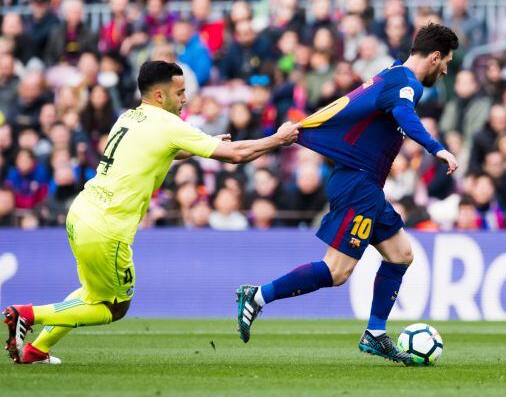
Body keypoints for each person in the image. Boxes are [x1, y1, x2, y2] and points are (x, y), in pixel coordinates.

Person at [3, 61, 299, 364]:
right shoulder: (167, 124)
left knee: (91, 292)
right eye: (180, 92)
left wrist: (201, 146)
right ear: (159, 95)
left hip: (81, 213)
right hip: (108, 227)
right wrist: (279, 139)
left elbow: (162, 148)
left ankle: (36, 350)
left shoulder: (128, 117)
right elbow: (236, 155)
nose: (185, 98)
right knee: (114, 307)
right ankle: (27, 314)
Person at [235, 24, 459, 365]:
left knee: (400, 254)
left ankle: (376, 333)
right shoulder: (406, 83)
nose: (446, 69)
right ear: (435, 56)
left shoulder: (393, 76)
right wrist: (436, 148)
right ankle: (257, 296)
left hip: (366, 183)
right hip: (357, 183)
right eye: (447, 61)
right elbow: (404, 115)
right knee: (337, 271)